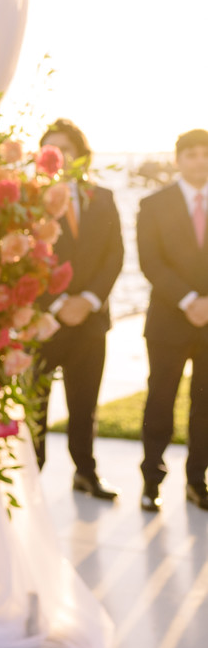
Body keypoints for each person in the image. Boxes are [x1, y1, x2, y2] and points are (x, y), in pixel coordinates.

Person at [33, 119, 123, 499]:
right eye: (50, 149)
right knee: (35, 404)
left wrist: (86, 301)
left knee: (84, 403)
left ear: (80, 156)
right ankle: (31, 477)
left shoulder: (102, 197)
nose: (58, 156)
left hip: (90, 320)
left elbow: (114, 255)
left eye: (66, 149)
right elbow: (24, 261)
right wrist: (55, 304)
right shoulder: (27, 200)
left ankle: (85, 471)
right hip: (42, 321)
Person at [137, 127, 208, 512]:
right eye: (191, 154)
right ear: (178, 159)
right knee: (160, 401)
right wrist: (189, 300)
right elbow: (150, 261)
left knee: (206, 404)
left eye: (205, 153)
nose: (199, 160)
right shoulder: (153, 204)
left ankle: (198, 479)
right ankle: (151, 480)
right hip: (168, 321)